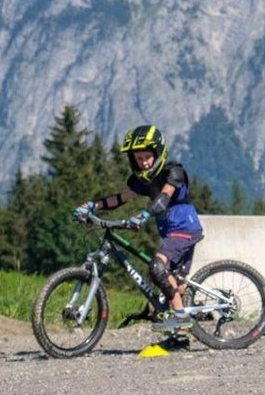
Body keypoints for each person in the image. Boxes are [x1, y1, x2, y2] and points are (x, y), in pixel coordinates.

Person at [79, 125, 203, 340]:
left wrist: (143, 215)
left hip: (184, 228)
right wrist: (92, 206)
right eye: (139, 158)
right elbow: (119, 198)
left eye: (148, 157)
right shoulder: (144, 181)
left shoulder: (174, 172)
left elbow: (163, 199)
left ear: (158, 154)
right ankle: (182, 333)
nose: (144, 162)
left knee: (157, 267)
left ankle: (182, 323)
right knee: (172, 283)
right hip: (170, 232)